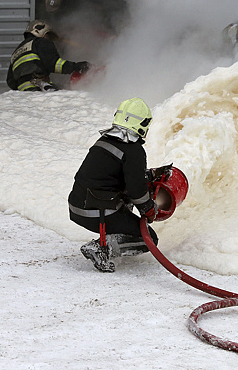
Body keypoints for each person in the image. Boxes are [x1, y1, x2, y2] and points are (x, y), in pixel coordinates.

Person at [67, 97, 172, 272]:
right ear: (142, 124)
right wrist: (149, 209)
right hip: (97, 212)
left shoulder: (104, 141)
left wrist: (151, 175)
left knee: (125, 205)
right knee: (149, 239)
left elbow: (116, 176)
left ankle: (109, 239)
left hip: (77, 208)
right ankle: (101, 248)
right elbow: (136, 191)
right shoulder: (134, 150)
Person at [6, 20, 90, 92]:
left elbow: (11, 82)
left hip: (23, 93)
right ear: (38, 30)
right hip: (38, 88)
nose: (48, 38)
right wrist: (76, 66)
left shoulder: (15, 53)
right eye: (47, 35)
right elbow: (54, 64)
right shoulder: (41, 42)